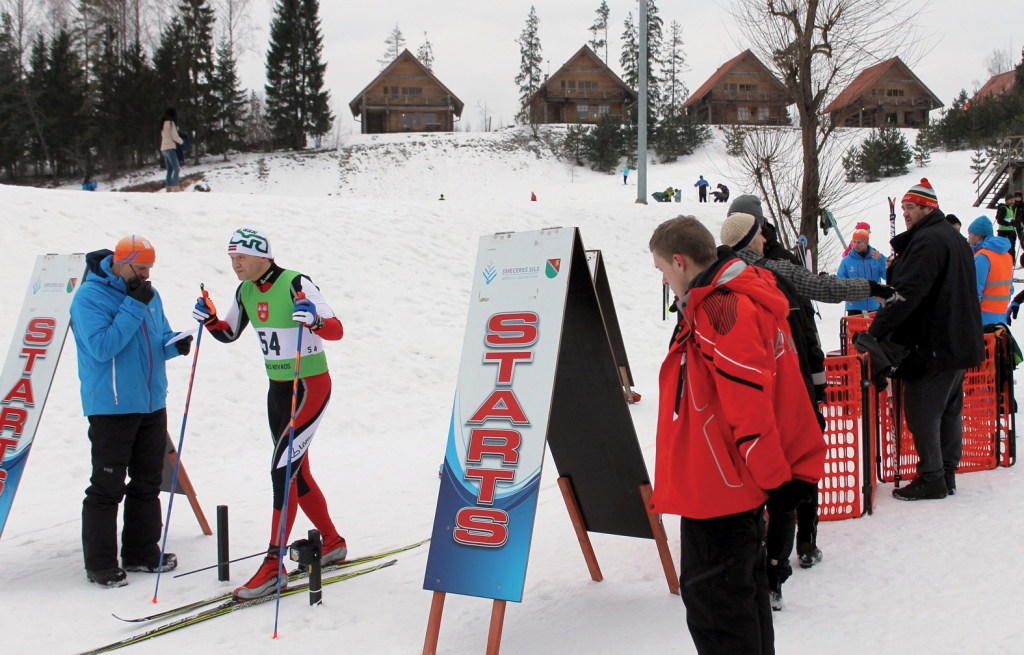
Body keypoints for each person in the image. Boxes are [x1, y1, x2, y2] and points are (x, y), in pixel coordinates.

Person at [648, 216, 825, 655]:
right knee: (741, 602)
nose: (665, 281)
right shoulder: (739, 296)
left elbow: (750, 405)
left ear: (679, 260)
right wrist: (788, 471)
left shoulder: (721, 309)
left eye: (662, 271)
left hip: (720, 489)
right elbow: (787, 389)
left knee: (718, 613)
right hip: (729, 482)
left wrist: (776, 478)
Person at [193, 228, 348, 600]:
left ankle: (273, 564)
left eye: (241, 258)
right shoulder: (245, 291)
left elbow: (337, 330)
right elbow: (230, 333)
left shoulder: (297, 283)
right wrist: (210, 319)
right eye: (232, 260)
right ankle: (331, 542)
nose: (235, 266)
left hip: (309, 387)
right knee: (296, 470)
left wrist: (313, 320)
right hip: (278, 391)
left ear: (263, 255)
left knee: (282, 470)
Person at [719, 212, 828, 612]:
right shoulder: (780, 275)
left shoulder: (719, 284)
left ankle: (770, 570)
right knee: (790, 479)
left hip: (770, 396)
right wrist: (815, 384)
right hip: (786, 393)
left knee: (771, 482)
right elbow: (806, 332)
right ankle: (785, 563)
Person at [70, 236, 192, 588]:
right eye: (140, 268)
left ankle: (141, 551)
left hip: (151, 402)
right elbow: (103, 347)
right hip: (112, 406)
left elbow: (157, 340)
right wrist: (133, 306)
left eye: (150, 268)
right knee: (107, 484)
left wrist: (174, 346)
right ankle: (101, 563)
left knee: (148, 480)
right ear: (121, 264)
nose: (146, 275)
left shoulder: (148, 295)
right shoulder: (89, 298)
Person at [866, 179, 984, 500]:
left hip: (934, 342)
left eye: (911, 207)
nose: (905, 213)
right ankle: (946, 473)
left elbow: (905, 295)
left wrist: (875, 333)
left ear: (927, 208)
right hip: (957, 340)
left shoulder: (928, 241)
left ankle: (933, 477)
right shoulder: (952, 237)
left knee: (921, 413)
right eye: (903, 207)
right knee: (948, 411)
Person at [727, 195, 896, 306]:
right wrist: (873, 288)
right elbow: (824, 287)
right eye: (758, 233)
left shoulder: (711, 268)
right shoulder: (775, 269)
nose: (763, 238)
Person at [967, 216, 1014, 327]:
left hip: (983, 314)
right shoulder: (1007, 255)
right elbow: (1010, 287)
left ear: (978, 236)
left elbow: (975, 289)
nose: (968, 238)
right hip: (1001, 313)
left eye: (970, 235)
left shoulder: (983, 257)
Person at [837, 229, 888, 315]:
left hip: (874, 306)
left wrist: (882, 261)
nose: (856, 245)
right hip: (854, 307)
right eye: (854, 242)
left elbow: (887, 276)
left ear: (866, 242)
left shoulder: (877, 258)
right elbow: (839, 282)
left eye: (859, 242)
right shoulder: (846, 261)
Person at [160, 108, 183, 192]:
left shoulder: (162, 123)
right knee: (176, 168)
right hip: (170, 148)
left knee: (169, 170)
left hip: (164, 149)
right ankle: (176, 188)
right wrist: (182, 142)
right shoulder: (170, 123)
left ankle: (168, 188)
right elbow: (175, 137)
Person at [994, 193, 1017, 262]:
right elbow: (999, 220)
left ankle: (1011, 261)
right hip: (1004, 231)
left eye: (1013, 200)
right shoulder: (1003, 208)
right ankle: (1003, 260)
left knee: (1012, 247)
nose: (1012, 201)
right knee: (1003, 246)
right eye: (1011, 200)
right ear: (1006, 201)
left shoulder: (1011, 208)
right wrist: (1009, 223)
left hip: (1011, 230)